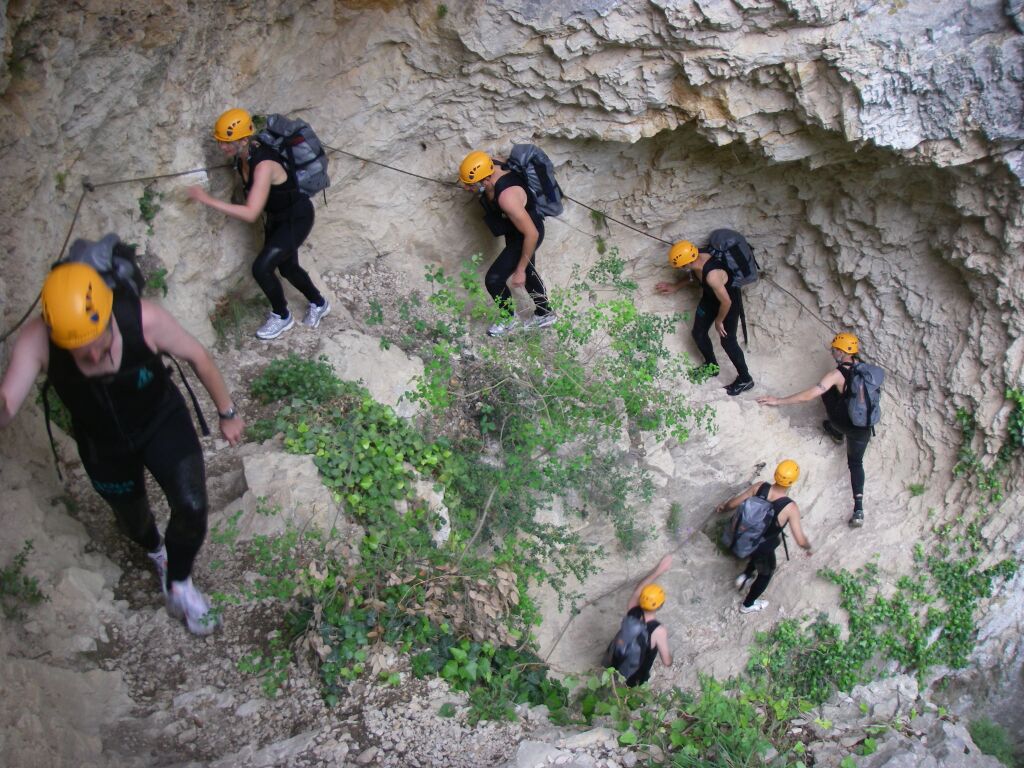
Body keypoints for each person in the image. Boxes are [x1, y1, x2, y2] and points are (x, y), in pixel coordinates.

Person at [0, 256, 244, 634]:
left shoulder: (144, 319)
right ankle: (156, 552)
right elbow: (8, 403)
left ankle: (180, 583)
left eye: (101, 344)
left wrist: (227, 412)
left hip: (161, 420)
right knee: (133, 519)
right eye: (82, 354)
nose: (96, 358)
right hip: (103, 442)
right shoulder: (38, 340)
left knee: (192, 506)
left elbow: (198, 356)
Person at [188, 108, 330, 340]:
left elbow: (250, 213)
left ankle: (282, 315)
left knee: (261, 268)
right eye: (221, 141)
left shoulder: (264, 165)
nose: (222, 147)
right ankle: (319, 303)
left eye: (227, 142)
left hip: (297, 217)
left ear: (244, 140)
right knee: (287, 268)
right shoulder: (244, 155)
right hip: (278, 218)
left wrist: (207, 200)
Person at [756, 332, 871, 527]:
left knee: (826, 394)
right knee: (855, 463)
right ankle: (858, 508)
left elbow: (808, 395)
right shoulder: (866, 370)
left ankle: (835, 430)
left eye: (835, 349)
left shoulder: (836, 375)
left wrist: (778, 401)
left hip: (843, 423)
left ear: (843, 352)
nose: (832, 352)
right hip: (864, 427)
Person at [458, 150, 556, 337]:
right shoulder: (492, 164)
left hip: (527, 234)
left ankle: (508, 319)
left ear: (485, 180)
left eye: (469, 184)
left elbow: (532, 234)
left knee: (494, 279)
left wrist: (519, 270)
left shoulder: (507, 199)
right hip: (517, 228)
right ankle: (545, 313)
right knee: (529, 271)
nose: (465, 187)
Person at [655, 240, 754, 396]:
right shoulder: (696, 259)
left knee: (728, 342)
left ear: (686, 263)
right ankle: (711, 366)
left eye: (682, 266)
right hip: (709, 299)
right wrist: (675, 287)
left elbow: (726, 301)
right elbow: (693, 276)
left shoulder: (712, 276)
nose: (682, 269)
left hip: (727, 304)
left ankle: (745, 379)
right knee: (698, 333)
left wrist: (719, 320)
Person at [715, 460, 812, 614]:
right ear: (793, 482)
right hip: (762, 547)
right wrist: (808, 547)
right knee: (766, 574)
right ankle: (747, 605)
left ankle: (746, 575)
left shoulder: (760, 487)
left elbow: (734, 504)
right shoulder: (790, 507)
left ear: (775, 474)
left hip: (744, 536)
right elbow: (800, 539)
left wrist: (723, 507)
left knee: (757, 556)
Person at [615, 554, 673, 686]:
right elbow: (666, 662)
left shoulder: (632, 610)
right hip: (636, 678)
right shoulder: (658, 631)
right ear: (661, 605)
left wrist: (659, 570)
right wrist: (671, 659)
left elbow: (638, 591)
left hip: (617, 664)